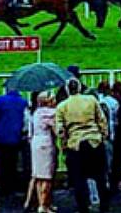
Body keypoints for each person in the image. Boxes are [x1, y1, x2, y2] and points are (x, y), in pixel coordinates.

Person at [56, 78, 110, 213]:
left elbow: (60, 130)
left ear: (68, 90)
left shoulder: (62, 106)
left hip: (76, 144)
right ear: (79, 88)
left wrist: (64, 145)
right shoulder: (91, 100)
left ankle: (83, 207)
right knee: (100, 177)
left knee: (79, 179)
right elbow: (102, 119)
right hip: (94, 141)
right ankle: (104, 205)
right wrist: (103, 135)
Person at [0, 85, 28, 197]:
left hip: (1, 137)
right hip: (16, 137)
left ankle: (3, 188)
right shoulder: (23, 102)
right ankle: (13, 186)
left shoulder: (0, 100)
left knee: (1, 164)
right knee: (13, 163)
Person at [29, 92, 57, 213]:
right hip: (45, 144)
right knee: (46, 176)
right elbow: (56, 128)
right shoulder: (49, 113)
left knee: (39, 176)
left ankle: (43, 203)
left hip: (35, 143)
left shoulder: (36, 112)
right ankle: (43, 205)